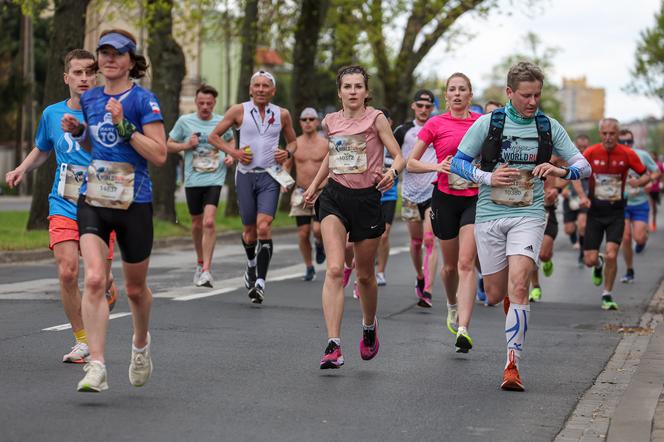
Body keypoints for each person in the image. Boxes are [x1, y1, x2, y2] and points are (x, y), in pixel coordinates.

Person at [447, 61, 591, 391]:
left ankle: (512, 363)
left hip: (529, 214)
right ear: (510, 93)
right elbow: (457, 162)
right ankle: (511, 306)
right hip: (489, 215)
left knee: (520, 285)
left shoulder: (548, 126)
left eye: (537, 95)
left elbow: (583, 165)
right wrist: (488, 176)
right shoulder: (488, 123)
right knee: (497, 294)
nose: (532, 102)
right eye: (526, 95)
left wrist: (559, 171)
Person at [61, 30, 167, 392]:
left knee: (135, 290)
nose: (109, 59)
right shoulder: (89, 97)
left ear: (130, 61)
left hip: (134, 201)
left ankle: (140, 344)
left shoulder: (143, 100)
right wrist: (79, 132)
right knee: (93, 279)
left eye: (117, 54)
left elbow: (159, 154)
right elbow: (95, 142)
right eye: (103, 53)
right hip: (94, 196)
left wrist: (124, 124)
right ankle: (97, 365)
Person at [5, 49, 119, 364]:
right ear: (66, 77)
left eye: (89, 72)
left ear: (96, 75)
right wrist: (22, 169)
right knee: (68, 272)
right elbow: (43, 148)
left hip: (100, 202)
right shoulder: (51, 114)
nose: (84, 78)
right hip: (64, 202)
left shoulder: (109, 111)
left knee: (99, 279)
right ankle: (83, 341)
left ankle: (110, 283)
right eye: (77, 73)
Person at [303, 65, 405, 369]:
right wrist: (314, 185)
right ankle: (334, 344)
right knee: (334, 269)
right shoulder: (329, 121)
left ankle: (369, 325)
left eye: (358, 86)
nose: (352, 91)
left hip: (367, 200)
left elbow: (399, 156)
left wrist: (391, 173)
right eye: (347, 86)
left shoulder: (376, 119)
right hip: (335, 197)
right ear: (339, 92)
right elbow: (331, 157)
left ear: (365, 91)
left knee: (364, 275)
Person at [407, 73, 481, 353]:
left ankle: (463, 327)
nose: (458, 94)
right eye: (453, 90)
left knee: (466, 263)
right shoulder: (436, 123)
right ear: (447, 95)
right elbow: (411, 163)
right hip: (445, 198)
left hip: (474, 198)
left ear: (470, 95)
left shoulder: (481, 123)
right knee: (449, 267)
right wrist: (436, 168)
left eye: (463, 89)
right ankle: (452, 305)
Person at [208, 70, 297, 304]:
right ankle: (250, 264)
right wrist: (235, 153)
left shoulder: (282, 114)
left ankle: (260, 282)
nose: (260, 89)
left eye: (265, 86)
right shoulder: (238, 111)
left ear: (272, 91)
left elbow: (294, 142)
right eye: (256, 85)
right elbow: (214, 137)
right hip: (245, 175)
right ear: (250, 89)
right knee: (249, 232)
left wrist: (287, 153)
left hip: (270, 175)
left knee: (264, 226)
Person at [167, 84, 235, 288]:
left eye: (209, 103)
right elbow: (168, 145)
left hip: (214, 178)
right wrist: (186, 146)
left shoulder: (221, 121)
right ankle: (199, 262)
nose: (205, 106)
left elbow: (231, 141)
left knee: (208, 222)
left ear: (214, 103)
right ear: (196, 102)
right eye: (201, 103)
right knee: (196, 224)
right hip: (193, 179)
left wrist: (231, 155)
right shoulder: (184, 121)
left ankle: (207, 270)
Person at [579, 119, 648, 310]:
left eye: (612, 133)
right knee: (589, 260)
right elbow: (575, 173)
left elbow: (646, 174)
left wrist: (639, 183)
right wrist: (583, 196)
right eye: (605, 133)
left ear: (618, 135)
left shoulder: (627, 154)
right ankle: (597, 263)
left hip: (616, 212)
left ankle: (607, 294)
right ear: (600, 134)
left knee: (612, 254)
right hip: (594, 211)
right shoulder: (591, 152)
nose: (608, 137)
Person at [395, 89, 437, 307]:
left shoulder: (437, 126)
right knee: (416, 242)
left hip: (433, 191)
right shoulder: (403, 131)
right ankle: (420, 276)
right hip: (410, 193)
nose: (423, 110)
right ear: (413, 106)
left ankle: (428, 290)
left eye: (428, 107)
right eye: (419, 106)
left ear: (432, 108)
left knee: (430, 240)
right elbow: (391, 156)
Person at [284, 107, 327, 281]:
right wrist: (284, 183)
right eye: (304, 119)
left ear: (317, 121)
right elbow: (286, 166)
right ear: (299, 122)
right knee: (302, 233)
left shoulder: (325, 143)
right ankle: (309, 267)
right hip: (301, 191)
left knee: (317, 230)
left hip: (321, 191)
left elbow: (332, 166)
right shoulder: (295, 144)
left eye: (311, 119)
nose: (308, 122)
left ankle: (319, 243)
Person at [618, 129, 659, 283]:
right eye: (622, 142)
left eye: (629, 141)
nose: (626, 144)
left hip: (640, 202)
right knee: (626, 237)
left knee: (639, 238)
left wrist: (647, 182)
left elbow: (656, 172)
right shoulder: (615, 157)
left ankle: (642, 240)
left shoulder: (642, 155)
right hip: (621, 203)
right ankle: (629, 270)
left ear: (633, 142)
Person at [529, 158, 566, 302]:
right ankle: (536, 287)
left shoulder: (555, 161)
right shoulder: (529, 162)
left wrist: (557, 189)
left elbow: (572, 173)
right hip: (530, 214)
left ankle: (547, 259)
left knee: (543, 255)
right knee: (532, 254)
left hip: (548, 215)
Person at [562, 134, 590, 264]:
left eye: (585, 147)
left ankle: (582, 253)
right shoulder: (569, 158)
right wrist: (563, 189)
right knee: (569, 229)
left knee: (583, 224)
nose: (583, 150)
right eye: (580, 147)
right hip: (571, 197)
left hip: (585, 197)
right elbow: (561, 176)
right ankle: (574, 237)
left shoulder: (590, 160)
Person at [376, 108, 396, 286]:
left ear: (390, 122)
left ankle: (380, 271)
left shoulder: (395, 142)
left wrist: (390, 173)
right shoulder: (366, 139)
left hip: (389, 194)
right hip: (369, 194)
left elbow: (402, 162)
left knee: (384, 235)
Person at [647, 151, 664, 231]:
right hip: (647, 188)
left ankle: (653, 222)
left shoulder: (659, 165)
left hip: (656, 188)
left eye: (653, 155)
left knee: (654, 207)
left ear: (655, 156)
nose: (652, 157)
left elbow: (662, 175)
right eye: (651, 155)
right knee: (649, 205)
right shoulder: (647, 164)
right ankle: (646, 224)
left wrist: (661, 183)